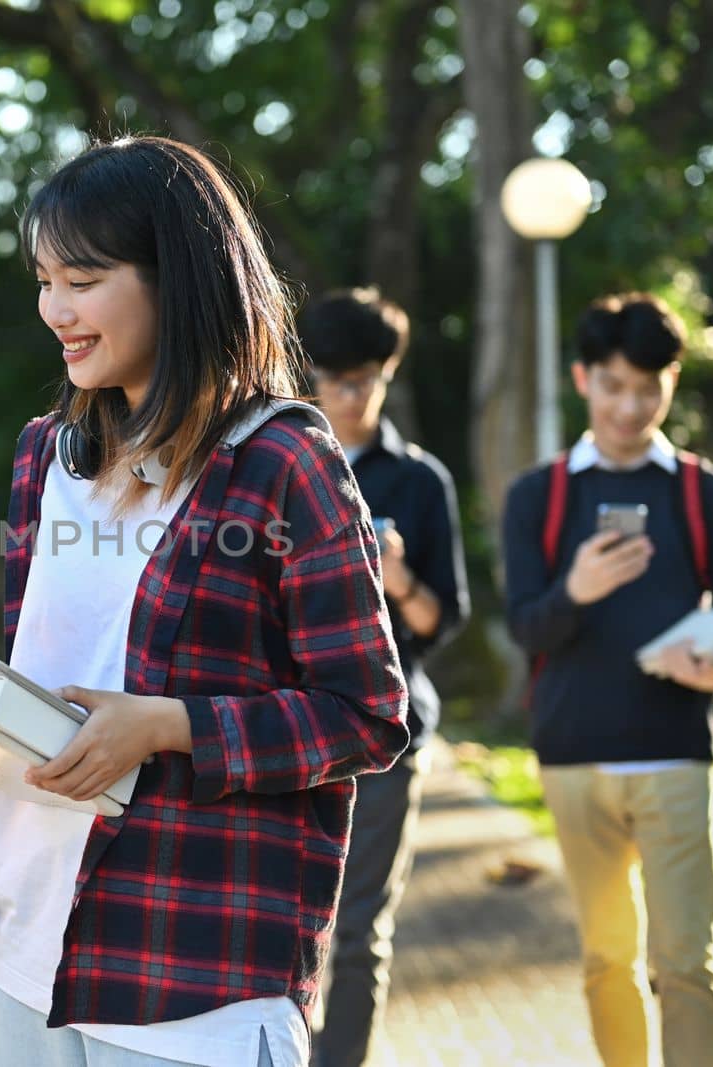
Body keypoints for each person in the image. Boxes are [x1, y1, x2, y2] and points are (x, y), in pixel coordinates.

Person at [0, 136, 409, 1067]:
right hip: (32, 939)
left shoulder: (284, 461)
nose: (54, 310)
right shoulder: (43, 457)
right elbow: (51, 671)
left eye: (83, 280)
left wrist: (169, 725)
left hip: (191, 970)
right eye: (44, 279)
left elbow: (367, 715)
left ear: (173, 278)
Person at [501, 292, 713, 1067]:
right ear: (584, 378)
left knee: (687, 961)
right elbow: (526, 625)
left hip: (677, 752)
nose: (631, 406)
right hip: (574, 759)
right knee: (605, 958)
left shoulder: (708, 492)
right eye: (615, 385)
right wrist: (575, 590)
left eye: (649, 388)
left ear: (671, 384)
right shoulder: (540, 496)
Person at [297, 289, 469, 1067]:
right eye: (336, 378)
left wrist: (398, 577)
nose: (353, 395)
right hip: (291, 728)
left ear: (387, 375)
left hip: (390, 735)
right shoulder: (279, 469)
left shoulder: (421, 480)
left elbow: (443, 620)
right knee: (284, 921)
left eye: (367, 377)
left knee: (360, 928)